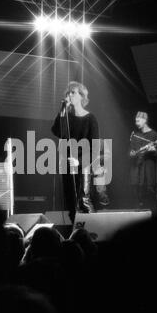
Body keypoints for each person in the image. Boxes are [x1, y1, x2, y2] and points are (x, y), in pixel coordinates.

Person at [51, 81, 99, 223]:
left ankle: (93, 231)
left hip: (83, 164)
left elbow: (94, 147)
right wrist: (63, 110)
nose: (69, 95)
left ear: (81, 96)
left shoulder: (90, 118)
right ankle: (75, 234)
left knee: (83, 201)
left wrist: (80, 161)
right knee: (71, 204)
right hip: (68, 164)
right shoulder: (67, 117)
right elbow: (57, 131)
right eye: (68, 92)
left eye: (73, 92)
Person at [129, 111, 157, 212]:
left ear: (145, 120)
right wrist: (131, 153)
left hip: (148, 169)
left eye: (138, 120)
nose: (136, 123)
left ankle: (151, 212)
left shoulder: (154, 135)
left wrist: (154, 150)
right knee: (136, 189)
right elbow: (131, 149)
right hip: (137, 169)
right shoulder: (135, 135)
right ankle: (139, 209)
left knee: (149, 190)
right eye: (135, 121)